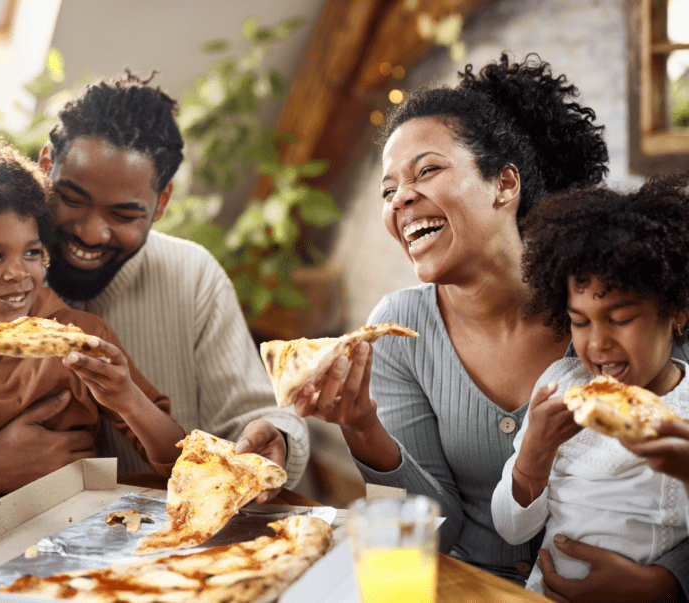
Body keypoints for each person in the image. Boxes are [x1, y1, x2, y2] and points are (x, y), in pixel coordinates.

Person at [292, 53, 689, 601]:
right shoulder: (396, 329)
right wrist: (364, 430)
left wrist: (666, 584)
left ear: (504, 183)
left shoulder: (621, 296)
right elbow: (433, 534)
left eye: (426, 170)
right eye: (388, 190)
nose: (400, 198)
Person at [0, 71, 308, 504]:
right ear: (46, 166)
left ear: (160, 204)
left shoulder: (189, 276)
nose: (91, 232)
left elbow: (245, 424)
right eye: (73, 199)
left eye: (123, 214)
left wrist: (275, 439)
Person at [0, 142, 183, 494]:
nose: (19, 273)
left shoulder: (84, 335)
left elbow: (182, 462)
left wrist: (128, 398)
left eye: (31, 252)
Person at [490, 174, 689, 594]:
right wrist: (533, 456)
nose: (597, 343)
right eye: (579, 321)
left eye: (620, 319)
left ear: (677, 310)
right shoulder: (560, 386)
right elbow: (510, 529)